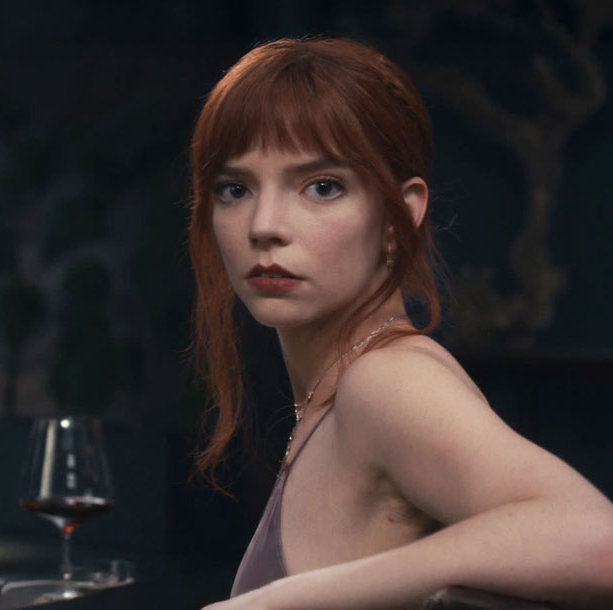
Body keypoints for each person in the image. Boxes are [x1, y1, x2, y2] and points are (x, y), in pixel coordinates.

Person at [186, 38, 613, 609]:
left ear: (400, 213)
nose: (264, 225)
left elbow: (596, 541)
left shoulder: (387, 382)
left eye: (322, 186)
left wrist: (282, 601)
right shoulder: (340, 387)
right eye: (235, 189)